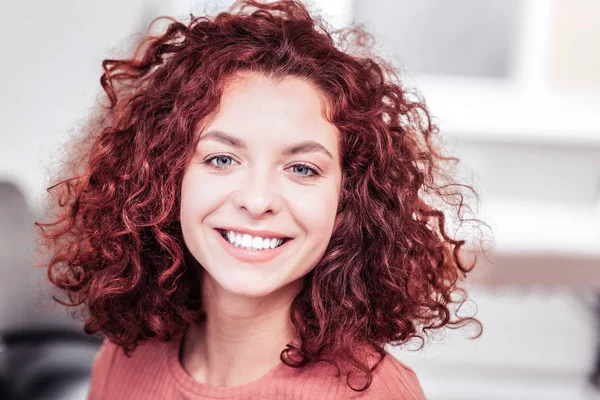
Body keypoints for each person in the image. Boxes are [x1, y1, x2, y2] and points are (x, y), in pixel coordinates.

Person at [34, 0, 484, 398]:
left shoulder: (372, 394)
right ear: (165, 178)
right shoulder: (124, 361)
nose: (257, 199)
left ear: (349, 202)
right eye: (223, 159)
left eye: (302, 168)